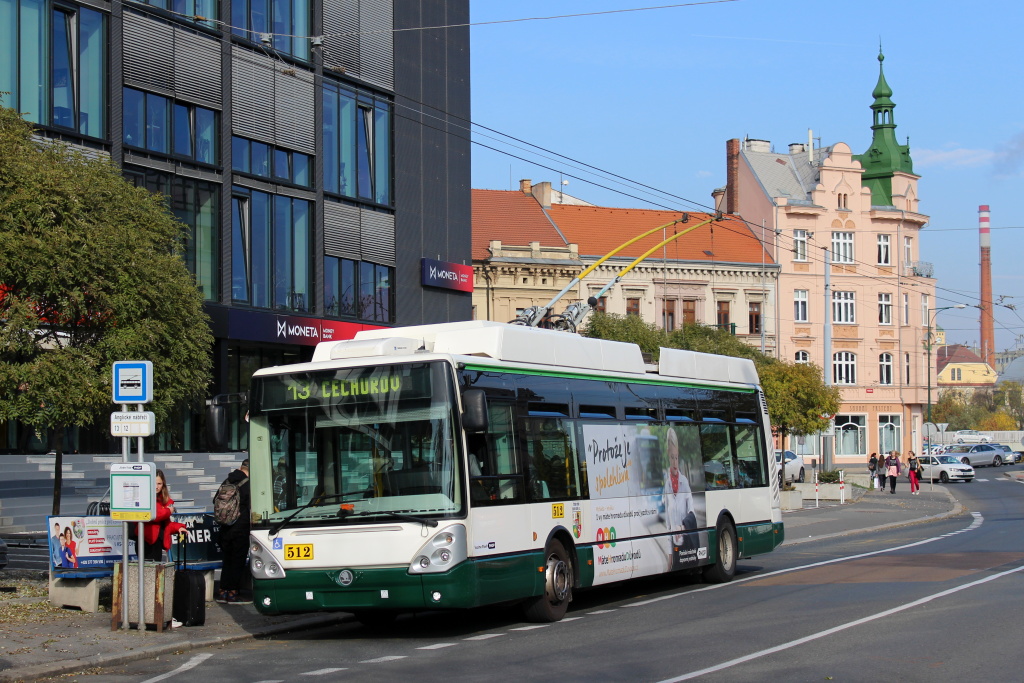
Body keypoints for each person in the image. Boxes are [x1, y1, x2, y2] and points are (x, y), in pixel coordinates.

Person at [217, 458, 251, 604]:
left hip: (225, 527)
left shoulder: (227, 481)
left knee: (227, 559)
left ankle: (223, 591)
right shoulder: (248, 484)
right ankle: (233, 593)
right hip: (241, 526)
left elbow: (215, 501)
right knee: (238, 560)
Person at [662, 428, 697, 545]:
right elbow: (667, 510)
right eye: (672, 457)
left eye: (676, 457)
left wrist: (683, 527)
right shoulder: (667, 484)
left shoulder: (684, 482)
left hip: (686, 537)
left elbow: (691, 508)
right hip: (673, 539)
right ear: (668, 455)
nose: (675, 462)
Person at [143, 470, 186, 562]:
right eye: (154, 483)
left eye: (159, 483)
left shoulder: (164, 500)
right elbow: (154, 516)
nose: (156, 486)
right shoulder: (145, 498)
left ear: (163, 484)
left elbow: (166, 524)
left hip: (157, 541)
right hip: (146, 541)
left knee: (155, 571)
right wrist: (168, 511)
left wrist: (178, 527)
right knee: (148, 572)